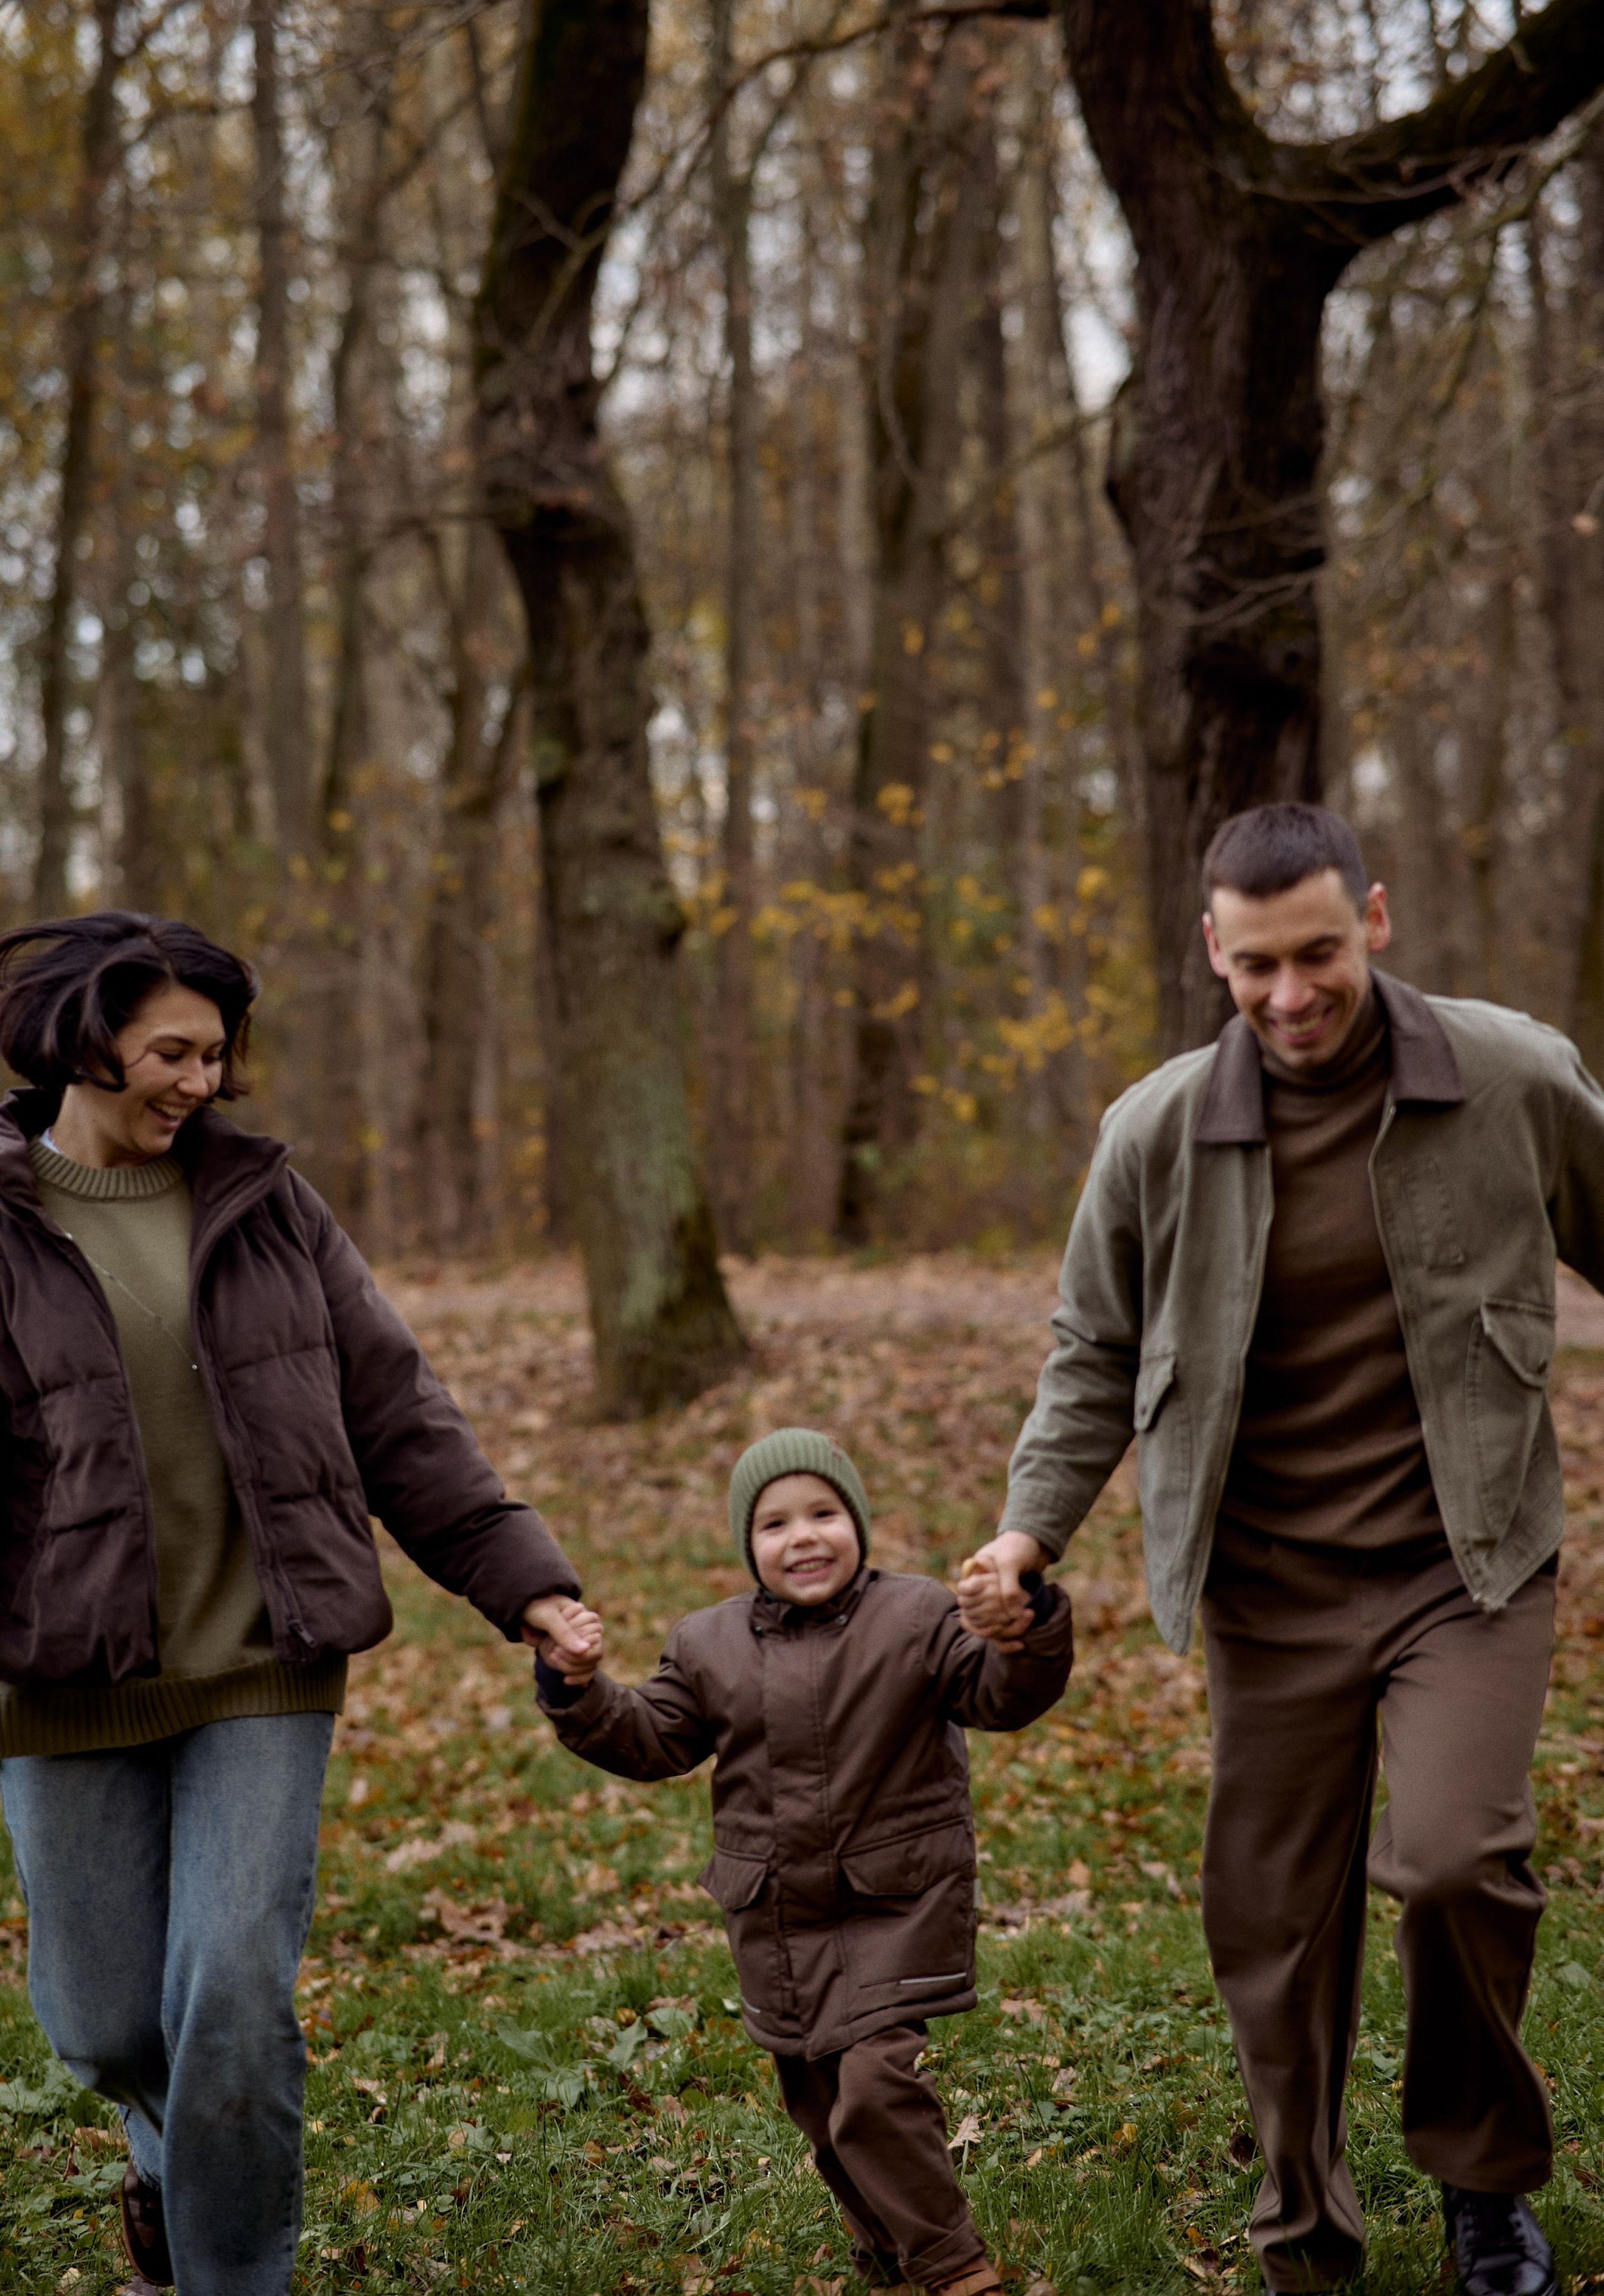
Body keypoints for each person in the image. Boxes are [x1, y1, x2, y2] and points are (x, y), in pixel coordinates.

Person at [960, 803, 1604, 2296]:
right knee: (1272, 1920)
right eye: (1255, 965)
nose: (1290, 993)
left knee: (1452, 1863)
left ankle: (1479, 2183)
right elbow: (1089, 1349)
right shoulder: (1156, 1129)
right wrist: (1024, 1528)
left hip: (1465, 1562)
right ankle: (1305, 2233)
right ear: (1212, 949)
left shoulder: (1507, 1076)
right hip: (1265, 1583)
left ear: (1372, 919)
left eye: (1317, 953)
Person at [0, 912, 601, 2296]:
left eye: (216, 1054)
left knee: (232, 2000)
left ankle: (231, 2276)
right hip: (62, 1672)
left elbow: (396, 1410)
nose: (201, 1081)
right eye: (172, 1051)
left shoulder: (263, 1203)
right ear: (84, 1042)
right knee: (103, 2025)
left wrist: (523, 1581)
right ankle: (167, 2167)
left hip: (266, 1660)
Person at [535, 1426, 1073, 2296]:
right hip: (778, 1918)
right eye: (775, 1523)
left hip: (896, 1903)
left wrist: (1025, 1629)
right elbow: (651, 1737)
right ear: (747, 1544)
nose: (804, 1537)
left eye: (824, 1513)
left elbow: (999, 1692)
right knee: (822, 2111)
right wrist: (577, 1688)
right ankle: (888, 2251)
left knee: (875, 2085)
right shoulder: (708, 1644)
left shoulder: (917, 1616)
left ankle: (954, 2265)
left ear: (857, 1519)